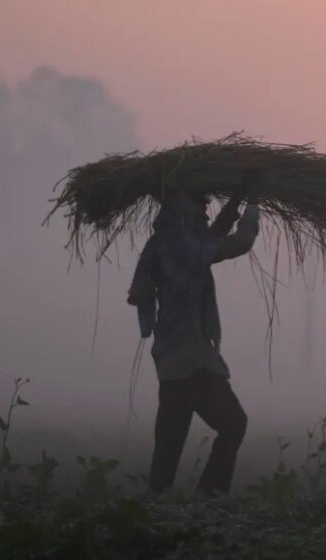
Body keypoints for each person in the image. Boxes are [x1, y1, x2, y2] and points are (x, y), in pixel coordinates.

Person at [126, 171, 262, 495]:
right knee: (233, 424)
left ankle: (157, 512)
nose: (204, 211)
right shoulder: (185, 250)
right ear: (184, 211)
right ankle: (210, 497)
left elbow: (211, 238)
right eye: (200, 207)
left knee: (169, 446)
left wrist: (237, 201)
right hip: (192, 362)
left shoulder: (165, 243)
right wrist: (253, 204)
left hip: (172, 361)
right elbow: (237, 243)